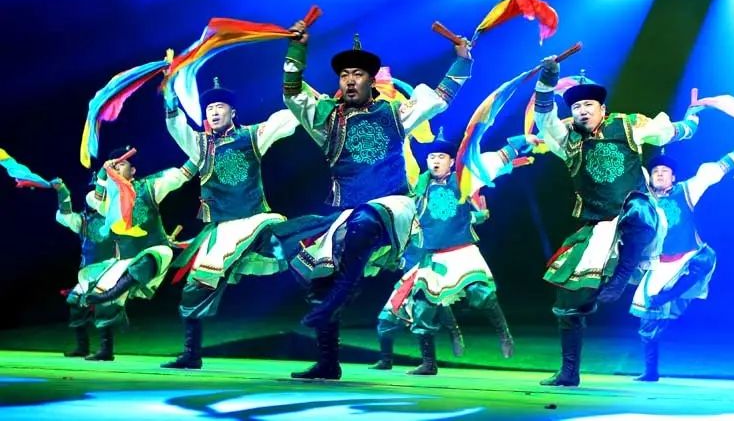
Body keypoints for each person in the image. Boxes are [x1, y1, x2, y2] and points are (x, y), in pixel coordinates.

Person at [278, 21, 474, 379]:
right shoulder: (327, 121)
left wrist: (462, 59)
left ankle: (336, 301)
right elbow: (293, 93)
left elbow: (440, 98)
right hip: (347, 212)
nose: (350, 81)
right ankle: (328, 361)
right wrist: (297, 49)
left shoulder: (394, 114)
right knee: (319, 281)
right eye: (344, 76)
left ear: (372, 81)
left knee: (365, 221)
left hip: (393, 206)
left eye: (358, 75)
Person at [533, 57, 699, 386]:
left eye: (588, 105)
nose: (582, 111)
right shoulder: (566, 137)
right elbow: (544, 116)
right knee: (567, 299)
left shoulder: (626, 125)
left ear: (602, 108)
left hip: (639, 216)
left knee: (638, 209)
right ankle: (569, 372)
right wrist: (548, 80)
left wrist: (692, 119)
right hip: (600, 226)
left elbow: (668, 131)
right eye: (577, 106)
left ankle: (622, 275)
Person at [630, 105, 734, 382]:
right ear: (650, 177)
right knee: (648, 320)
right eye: (656, 172)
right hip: (658, 265)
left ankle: (669, 296)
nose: (661, 174)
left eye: (666, 171)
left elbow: (724, 164)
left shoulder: (687, 190)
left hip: (687, 257)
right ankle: (650, 371)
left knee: (705, 259)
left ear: (674, 177)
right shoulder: (641, 199)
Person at [163, 77, 299, 369]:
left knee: (297, 258)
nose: (214, 112)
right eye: (209, 108)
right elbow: (177, 128)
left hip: (253, 220)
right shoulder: (201, 146)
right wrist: (170, 97)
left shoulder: (251, 136)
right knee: (194, 287)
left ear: (232, 111)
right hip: (221, 230)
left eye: (220, 106)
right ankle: (191, 354)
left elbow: (283, 121)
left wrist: (308, 102)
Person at [371, 131, 532, 375]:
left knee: (481, 295)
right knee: (422, 308)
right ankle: (428, 363)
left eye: (441, 157)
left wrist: (520, 142)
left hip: (462, 252)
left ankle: (504, 334)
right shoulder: (419, 188)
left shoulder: (464, 179)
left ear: (451, 160)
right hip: (433, 258)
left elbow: (495, 160)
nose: (435, 161)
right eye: (432, 157)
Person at [80, 147, 197, 361]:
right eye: (113, 164)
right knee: (100, 294)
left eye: (122, 163)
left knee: (145, 260)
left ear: (133, 170)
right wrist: (103, 175)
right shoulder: (108, 200)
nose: (116, 167)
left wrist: (202, 152)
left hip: (155, 250)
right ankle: (105, 349)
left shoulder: (149, 187)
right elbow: (94, 198)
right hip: (125, 259)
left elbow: (181, 175)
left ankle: (111, 293)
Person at [53, 175, 117, 358]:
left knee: (104, 307)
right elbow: (66, 215)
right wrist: (62, 191)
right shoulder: (83, 220)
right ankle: (82, 347)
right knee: (75, 303)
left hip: (109, 271)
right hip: (88, 273)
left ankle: (106, 350)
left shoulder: (115, 217)